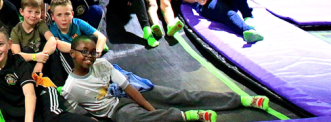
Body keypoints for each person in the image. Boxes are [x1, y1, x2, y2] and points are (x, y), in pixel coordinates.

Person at [62, 35, 270, 121]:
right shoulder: (71, 87)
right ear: (72, 54)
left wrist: (151, 107)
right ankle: (187, 116)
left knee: (177, 95)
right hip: (115, 111)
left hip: (123, 95)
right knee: (135, 119)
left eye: (92, 52)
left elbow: (128, 88)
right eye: (84, 52)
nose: (89, 56)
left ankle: (242, 100)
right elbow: (71, 115)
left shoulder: (102, 65)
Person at [0, 21, 93, 122]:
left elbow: (30, 94)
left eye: (0, 44)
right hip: (16, 111)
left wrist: (28, 120)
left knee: (54, 117)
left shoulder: (18, 63)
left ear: (9, 44)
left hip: (42, 96)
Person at [11, 0, 56, 75]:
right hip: (27, 62)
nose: (33, 15)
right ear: (21, 12)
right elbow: (16, 55)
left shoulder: (40, 24)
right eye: (29, 11)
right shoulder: (16, 31)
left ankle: (58, 81)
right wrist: (35, 57)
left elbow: (51, 39)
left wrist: (40, 61)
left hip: (42, 61)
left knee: (52, 51)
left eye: (37, 12)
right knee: (27, 50)